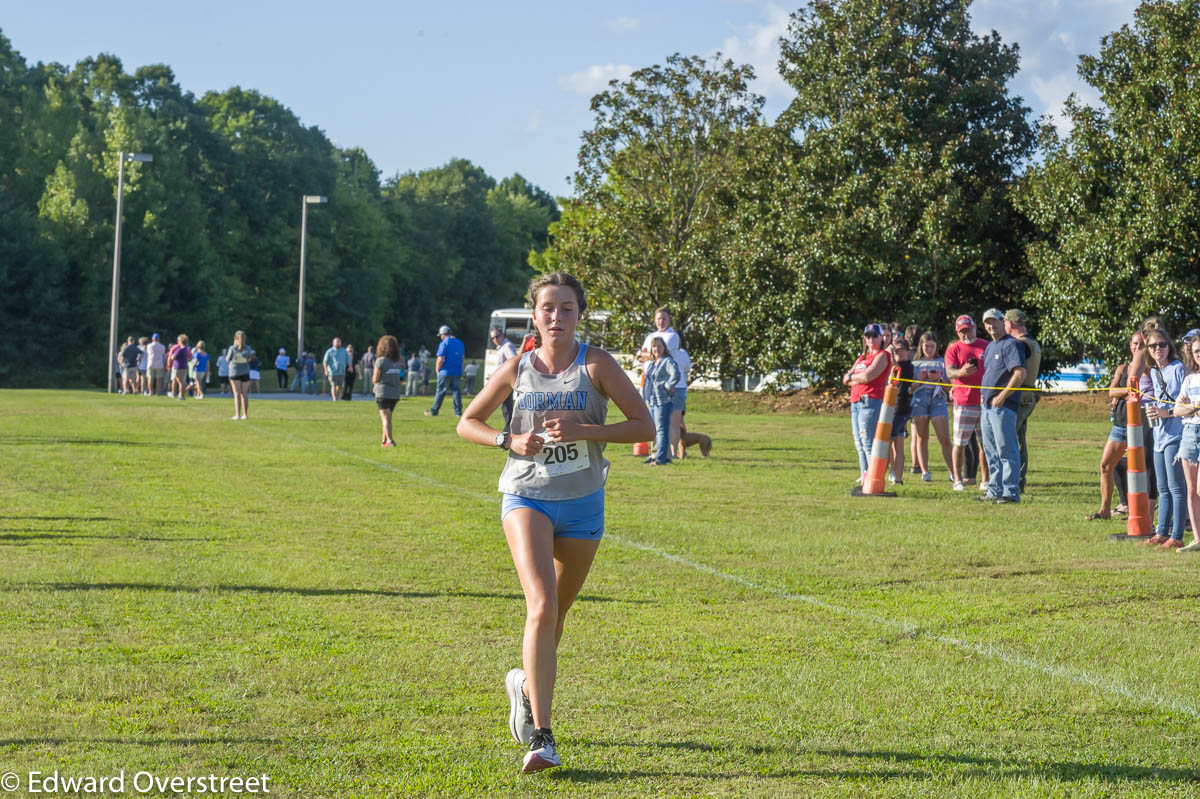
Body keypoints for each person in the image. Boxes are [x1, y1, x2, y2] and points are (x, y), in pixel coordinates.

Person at [455, 272, 653, 774]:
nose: (557, 317)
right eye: (548, 308)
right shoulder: (517, 367)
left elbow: (644, 426)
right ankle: (543, 737)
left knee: (555, 617)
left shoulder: (597, 364)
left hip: (584, 501)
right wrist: (508, 441)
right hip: (526, 495)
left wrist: (584, 429)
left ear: (579, 315)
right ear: (535, 315)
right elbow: (467, 422)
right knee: (541, 605)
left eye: (567, 308)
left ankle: (524, 685)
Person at [1089, 333, 1141, 520]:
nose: (1137, 347)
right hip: (1120, 425)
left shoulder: (1148, 369)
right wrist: (1128, 392)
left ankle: (1138, 511)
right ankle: (1105, 509)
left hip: (1141, 427)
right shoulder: (1122, 368)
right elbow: (1111, 390)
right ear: (1130, 345)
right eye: (1135, 343)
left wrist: (1122, 394)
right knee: (1105, 465)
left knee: (1140, 471)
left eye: (1141, 344)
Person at [1143, 327, 1186, 547]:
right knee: (1162, 488)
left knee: (1176, 487)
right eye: (1153, 346)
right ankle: (1161, 533)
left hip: (1176, 433)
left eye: (1162, 344)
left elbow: (1187, 403)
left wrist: (1165, 412)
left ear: (1170, 346)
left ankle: (1177, 536)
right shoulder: (1153, 372)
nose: (1158, 349)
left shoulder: (1179, 368)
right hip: (1159, 433)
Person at [978, 308, 1026, 503]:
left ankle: (1010, 491)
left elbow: (1019, 373)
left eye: (995, 321)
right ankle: (994, 490)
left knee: (1006, 449)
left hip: (1002, 407)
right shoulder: (990, 347)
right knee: (990, 450)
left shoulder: (1011, 344)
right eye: (987, 323)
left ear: (1002, 321)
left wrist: (1003, 395)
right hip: (987, 406)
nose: (991, 326)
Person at [843, 323, 892, 484]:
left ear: (881, 338)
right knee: (858, 442)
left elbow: (868, 377)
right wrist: (855, 377)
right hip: (856, 401)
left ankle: (873, 477)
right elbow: (846, 379)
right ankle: (864, 474)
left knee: (868, 441)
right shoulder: (862, 357)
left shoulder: (882, 355)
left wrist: (854, 377)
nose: (871, 339)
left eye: (874, 335)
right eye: (867, 336)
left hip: (870, 400)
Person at [945, 314, 988, 491]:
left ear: (975, 328)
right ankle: (957, 479)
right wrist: (962, 372)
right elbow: (950, 372)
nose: (965, 334)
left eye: (968, 330)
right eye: (962, 332)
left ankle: (985, 480)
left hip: (985, 401)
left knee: (984, 443)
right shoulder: (954, 349)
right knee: (960, 442)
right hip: (963, 401)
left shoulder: (986, 345)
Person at [1005, 309, 1041, 492]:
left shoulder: (1019, 345)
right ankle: (1019, 479)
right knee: (1019, 440)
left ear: (1010, 324)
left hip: (1019, 398)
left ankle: (1015, 480)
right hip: (1029, 397)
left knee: (1010, 439)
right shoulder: (1033, 343)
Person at [910, 332, 953, 482]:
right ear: (921, 347)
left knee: (945, 438)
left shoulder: (943, 362)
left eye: (932, 346)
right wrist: (920, 380)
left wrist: (939, 379)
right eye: (926, 346)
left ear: (936, 347)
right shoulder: (914, 364)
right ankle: (924, 472)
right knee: (922, 438)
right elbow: (910, 389)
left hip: (938, 399)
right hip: (919, 400)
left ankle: (953, 472)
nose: (929, 349)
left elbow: (949, 388)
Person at [1173, 329, 1200, 552]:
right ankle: (1198, 539)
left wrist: (1189, 408)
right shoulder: (1190, 379)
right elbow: (1176, 410)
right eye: (1196, 351)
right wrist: (1192, 408)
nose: (1199, 354)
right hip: (1190, 434)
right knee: (1191, 490)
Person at [642, 337, 681, 466]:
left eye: (659, 346)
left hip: (662, 400)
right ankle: (657, 455)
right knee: (654, 430)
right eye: (654, 347)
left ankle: (660, 459)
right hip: (652, 400)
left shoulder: (667, 361)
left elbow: (675, 374)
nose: (656, 349)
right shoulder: (654, 363)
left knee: (661, 430)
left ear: (664, 348)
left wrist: (668, 386)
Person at [887, 337, 914, 484]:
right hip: (891, 406)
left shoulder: (907, 366)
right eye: (895, 350)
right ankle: (893, 473)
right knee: (891, 443)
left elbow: (895, 367)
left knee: (895, 443)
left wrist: (890, 354)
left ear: (907, 351)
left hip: (900, 408)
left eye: (901, 349)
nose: (898, 352)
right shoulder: (895, 364)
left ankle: (897, 476)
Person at [425, 325, 464, 417]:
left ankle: (434, 411)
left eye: (441, 335)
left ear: (443, 334)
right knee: (456, 391)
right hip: (457, 371)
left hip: (445, 371)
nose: (441, 337)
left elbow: (441, 358)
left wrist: (437, 369)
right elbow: (462, 357)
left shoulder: (444, 343)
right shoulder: (460, 342)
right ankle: (458, 412)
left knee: (441, 391)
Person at [373, 335, 404, 448]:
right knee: (388, 419)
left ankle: (390, 441)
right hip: (395, 393)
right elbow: (401, 378)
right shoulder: (397, 362)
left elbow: (375, 378)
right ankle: (384, 441)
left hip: (383, 392)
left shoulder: (380, 361)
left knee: (385, 418)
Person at [491, 327, 519, 431]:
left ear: (503, 335)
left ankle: (508, 429)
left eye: (497, 336)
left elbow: (513, 361)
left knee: (506, 406)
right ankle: (509, 428)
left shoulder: (507, 346)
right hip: (503, 380)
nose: (495, 339)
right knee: (505, 406)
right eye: (492, 338)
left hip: (506, 381)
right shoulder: (503, 346)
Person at [225, 330, 254, 420]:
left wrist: (234, 346)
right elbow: (250, 359)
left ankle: (237, 414)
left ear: (235, 338)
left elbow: (227, 359)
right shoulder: (248, 348)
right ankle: (245, 414)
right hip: (245, 372)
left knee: (237, 394)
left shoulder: (232, 348)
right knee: (244, 394)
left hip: (234, 372)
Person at [167, 334, 191, 401]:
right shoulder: (186, 349)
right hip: (184, 367)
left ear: (180, 341)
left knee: (180, 382)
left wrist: (171, 354)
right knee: (181, 381)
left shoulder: (180, 349)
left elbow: (172, 357)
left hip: (178, 367)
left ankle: (181, 395)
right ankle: (181, 395)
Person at [323, 337, 348, 402]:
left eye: (339, 342)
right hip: (332, 372)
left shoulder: (344, 351)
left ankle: (336, 398)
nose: (338, 343)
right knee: (333, 385)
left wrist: (350, 367)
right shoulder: (329, 351)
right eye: (337, 342)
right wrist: (326, 370)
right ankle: (334, 399)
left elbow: (348, 360)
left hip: (341, 372)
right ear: (333, 343)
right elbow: (325, 362)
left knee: (339, 387)